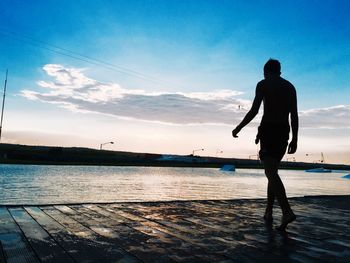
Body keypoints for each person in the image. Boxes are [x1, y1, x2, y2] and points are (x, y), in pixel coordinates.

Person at [232, 59, 298, 231]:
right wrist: (295, 139)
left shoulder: (263, 84)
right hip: (284, 131)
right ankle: (269, 211)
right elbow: (294, 115)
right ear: (280, 71)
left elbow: (254, 110)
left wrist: (239, 127)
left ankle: (286, 211)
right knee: (272, 172)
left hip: (269, 131)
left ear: (266, 71)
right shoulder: (290, 87)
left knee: (270, 172)